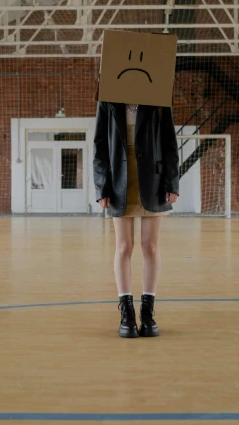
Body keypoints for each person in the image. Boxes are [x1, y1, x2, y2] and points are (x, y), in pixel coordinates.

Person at [93, 102, 180, 338]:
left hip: (153, 179)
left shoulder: (157, 98)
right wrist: (102, 187)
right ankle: (127, 313)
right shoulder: (108, 101)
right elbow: (100, 146)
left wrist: (172, 182)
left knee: (150, 247)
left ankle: (148, 312)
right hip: (119, 179)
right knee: (124, 247)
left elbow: (170, 142)